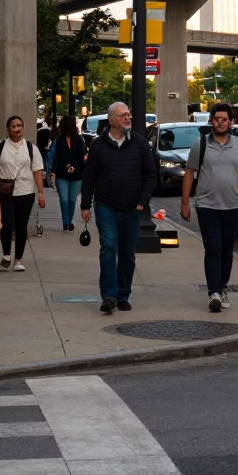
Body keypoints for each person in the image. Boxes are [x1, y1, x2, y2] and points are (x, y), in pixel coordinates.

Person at [181, 102, 238, 313]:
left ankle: (222, 287)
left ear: (231, 122)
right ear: (211, 121)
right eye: (217, 119)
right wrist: (185, 203)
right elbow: (189, 173)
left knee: (227, 251)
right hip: (207, 205)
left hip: (232, 205)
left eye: (224, 119)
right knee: (213, 249)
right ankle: (214, 292)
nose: (220, 123)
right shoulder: (201, 144)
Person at [80, 101, 155, 315]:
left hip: (132, 207)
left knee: (127, 253)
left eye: (128, 115)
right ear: (112, 119)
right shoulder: (98, 145)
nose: (127, 118)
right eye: (123, 115)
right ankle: (109, 296)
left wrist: (143, 200)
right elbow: (89, 177)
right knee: (109, 247)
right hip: (106, 205)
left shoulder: (140, 143)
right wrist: (86, 205)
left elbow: (150, 175)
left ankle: (123, 294)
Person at [0, 115, 45, 272]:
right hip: (5, 191)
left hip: (25, 191)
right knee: (6, 224)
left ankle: (18, 259)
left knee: (21, 226)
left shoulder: (31, 148)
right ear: (8, 128)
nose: (17, 129)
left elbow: (37, 170)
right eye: (14, 126)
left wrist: (41, 193)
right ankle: (6, 255)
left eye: (20, 125)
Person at [52, 115, 86, 231]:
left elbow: (83, 157)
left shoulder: (79, 140)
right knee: (64, 199)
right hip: (62, 174)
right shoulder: (59, 140)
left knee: (72, 200)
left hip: (76, 175)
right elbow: (52, 156)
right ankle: (66, 222)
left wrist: (83, 172)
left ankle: (69, 221)